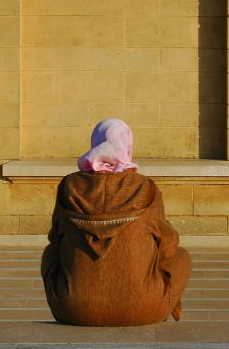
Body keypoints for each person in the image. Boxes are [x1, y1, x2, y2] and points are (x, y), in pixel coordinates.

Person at [41, 118, 191, 326]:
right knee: (181, 257)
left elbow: (56, 238)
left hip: (72, 310)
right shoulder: (144, 187)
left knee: (50, 253)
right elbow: (167, 244)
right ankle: (161, 305)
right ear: (126, 145)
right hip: (145, 309)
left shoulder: (70, 186)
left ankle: (78, 299)